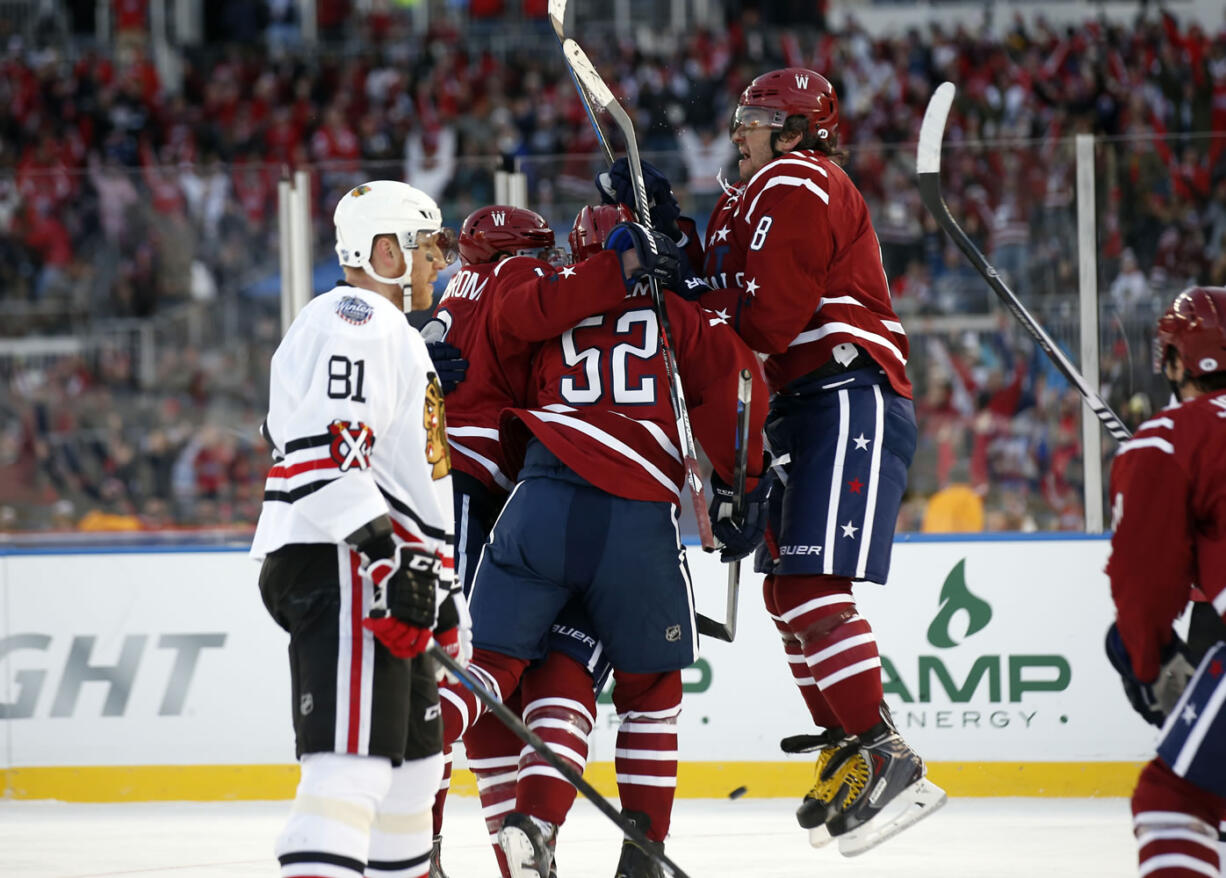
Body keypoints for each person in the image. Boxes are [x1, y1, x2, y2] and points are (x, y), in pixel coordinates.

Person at [598, 68, 945, 855]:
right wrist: (656, 219)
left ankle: (885, 752)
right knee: (788, 592)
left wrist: (684, 286)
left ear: (794, 132)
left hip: (844, 388)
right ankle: (857, 747)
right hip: (800, 403)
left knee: (812, 587)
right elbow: (713, 290)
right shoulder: (742, 201)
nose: (738, 130)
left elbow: (767, 321)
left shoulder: (802, 181)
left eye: (755, 118)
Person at [434, 214, 769, 878]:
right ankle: (639, 849)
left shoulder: (551, 303)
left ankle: (401, 759)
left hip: (538, 501)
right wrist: (741, 484)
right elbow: (738, 389)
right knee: (648, 689)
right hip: (635, 517)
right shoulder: (677, 313)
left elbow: (521, 327)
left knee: (492, 668)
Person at [250, 180, 470, 878]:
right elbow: (324, 453)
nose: (440, 261)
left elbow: (404, 477)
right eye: (424, 245)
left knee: (410, 782)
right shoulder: (356, 317)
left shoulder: (387, 333)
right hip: (347, 563)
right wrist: (386, 561)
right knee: (350, 773)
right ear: (382, 251)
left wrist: (440, 589)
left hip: (385, 570)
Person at [424, 204, 630, 877]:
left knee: (485, 674)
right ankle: (415, 851)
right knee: (466, 669)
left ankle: (433, 850)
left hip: (469, 484)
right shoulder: (518, 275)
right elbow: (549, 306)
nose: (550, 261)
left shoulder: (456, 281)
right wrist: (625, 265)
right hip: (479, 481)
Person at [1104, 286, 1226, 878]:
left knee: (1172, 800)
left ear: (1178, 361)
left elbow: (1142, 583)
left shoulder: (1170, 436)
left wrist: (1149, 665)